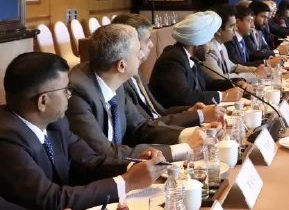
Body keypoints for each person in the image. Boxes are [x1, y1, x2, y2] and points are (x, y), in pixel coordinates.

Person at [0, 52, 164, 209]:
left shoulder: (56, 123)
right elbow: (52, 200)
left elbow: (90, 163)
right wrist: (127, 182)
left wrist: (134, 166)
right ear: (43, 101)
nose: (69, 95)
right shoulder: (7, 141)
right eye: (65, 90)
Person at [67, 24, 205, 161]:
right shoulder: (78, 95)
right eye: (138, 50)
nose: (141, 54)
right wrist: (183, 149)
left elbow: (140, 127)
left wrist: (191, 133)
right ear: (122, 65)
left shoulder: (113, 80)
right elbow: (105, 152)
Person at [112, 13, 224, 127]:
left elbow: (159, 112)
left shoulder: (136, 74)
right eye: (147, 40)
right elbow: (144, 126)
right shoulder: (121, 84)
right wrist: (199, 115)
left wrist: (189, 111)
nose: (151, 45)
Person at [150, 11, 243, 108]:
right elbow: (183, 96)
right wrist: (223, 96)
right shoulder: (172, 59)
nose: (211, 48)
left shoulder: (190, 57)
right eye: (209, 42)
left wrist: (236, 83)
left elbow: (209, 83)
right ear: (198, 43)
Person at [204, 5, 264, 80]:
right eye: (232, 26)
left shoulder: (221, 45)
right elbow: (221, 78)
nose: (235, 28)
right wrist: (254, 75)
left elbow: (232, 67)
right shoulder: (208, 50)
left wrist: (255, 70)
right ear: (219, 30)